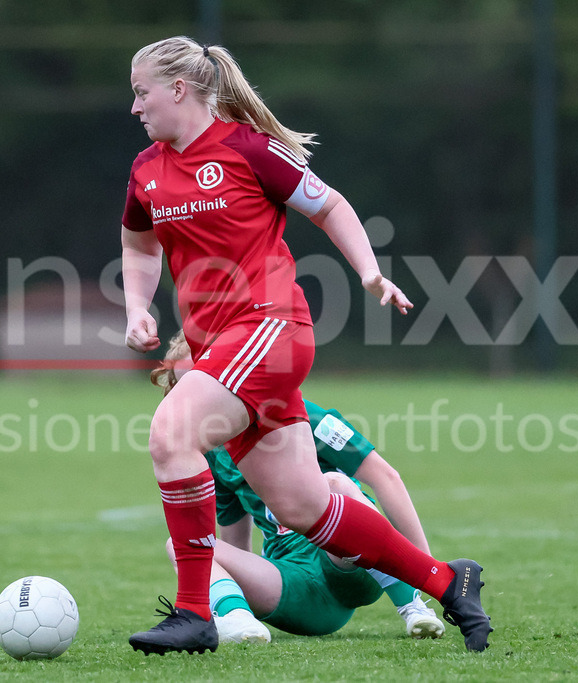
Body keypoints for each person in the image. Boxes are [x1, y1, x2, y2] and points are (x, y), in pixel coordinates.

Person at [121, 36, 491, 654]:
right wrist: (137, 307)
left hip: (269, 326)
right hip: (222, 346)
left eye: (141, 92)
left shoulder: (247, 149)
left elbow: (330, 206)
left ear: (179, 89)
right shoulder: (146, 169)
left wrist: (369, 272)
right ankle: (448, 581)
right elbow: (138, 244)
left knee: (170, 433)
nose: (135, 107)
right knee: (301, 506)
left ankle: (193, 614)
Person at [151, 332, 445, 643]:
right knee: (184, 543)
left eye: (203, 378)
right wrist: (230, 594)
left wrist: (430, 576)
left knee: (335, 484)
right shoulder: (212, 455)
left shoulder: (300, 414)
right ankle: (236, 621)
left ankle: (412, 604)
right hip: (296, 587)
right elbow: (235, 549)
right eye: (185, 386)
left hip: (352, 563)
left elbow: (385, 477)